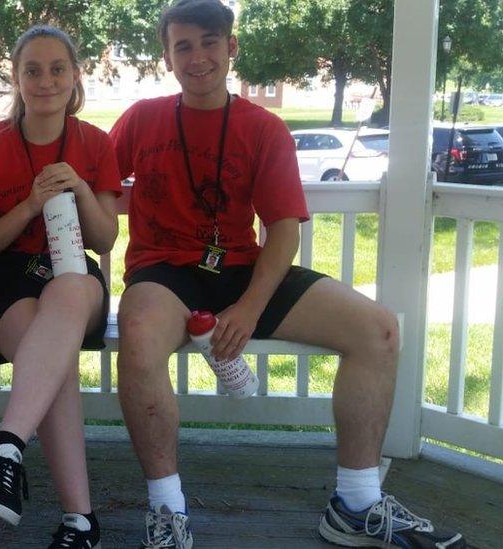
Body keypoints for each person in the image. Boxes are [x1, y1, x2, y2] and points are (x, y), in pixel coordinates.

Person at [109, 1, 467, 548]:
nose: (197, 57)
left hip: (244, 271)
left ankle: (357, 502)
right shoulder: (141, 119)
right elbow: (97, 182)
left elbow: (282, 229)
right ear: (167, 56)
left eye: (209, 42)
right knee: (136, 336)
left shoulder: (264, 128)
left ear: (231, 47)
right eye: (183, 46)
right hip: (163, 275)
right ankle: (167, 511)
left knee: (378, 330)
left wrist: (250, 307)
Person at [0, 25, 121, 549]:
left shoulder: (95, 143)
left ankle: (5, 447)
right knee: (50, 360)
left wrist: (79, 188)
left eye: (57, 69)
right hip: (6, 280)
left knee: (70, 293)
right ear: (17, 77)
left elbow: (104, 240)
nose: (46, 80)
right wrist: (29, 205)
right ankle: (81, 520)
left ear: (75, 75)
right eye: (33, 69)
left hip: (73, 275)